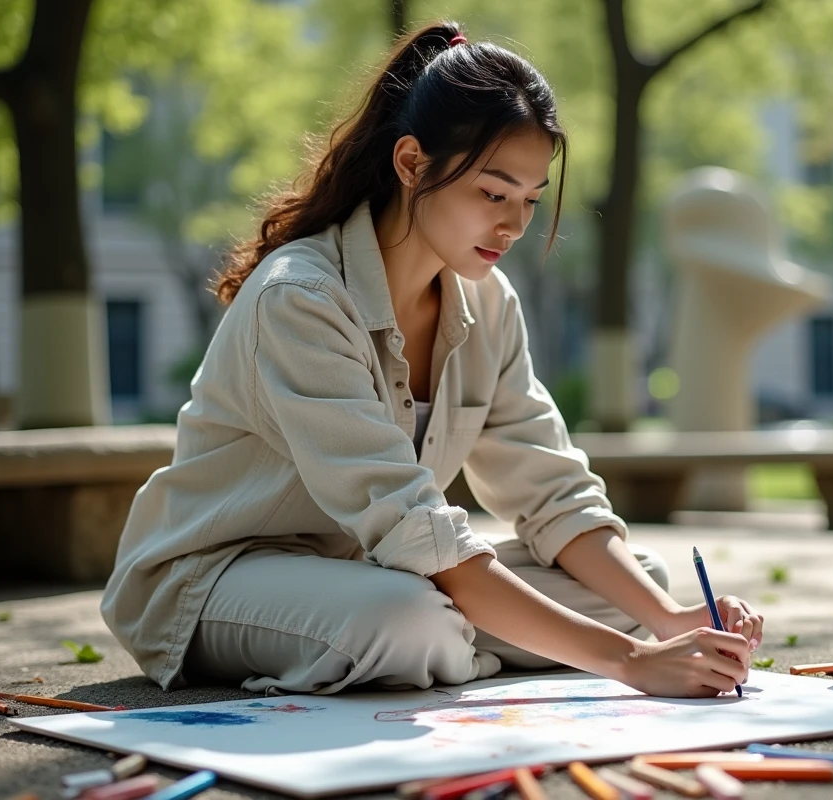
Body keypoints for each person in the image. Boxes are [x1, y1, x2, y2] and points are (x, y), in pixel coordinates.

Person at [101, 21, 764, 699]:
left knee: (637, 583)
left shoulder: (489, 300)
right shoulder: (301, 298)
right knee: (409, 620)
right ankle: (444, 645)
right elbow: (409, 522)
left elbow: (552, 491)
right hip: (219, 578)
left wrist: (668, 620)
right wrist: (628, 662)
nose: (513, 225)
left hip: (379, 570)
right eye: (492, 192)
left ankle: (448, 646)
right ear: (412, 163)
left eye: (530, 200)